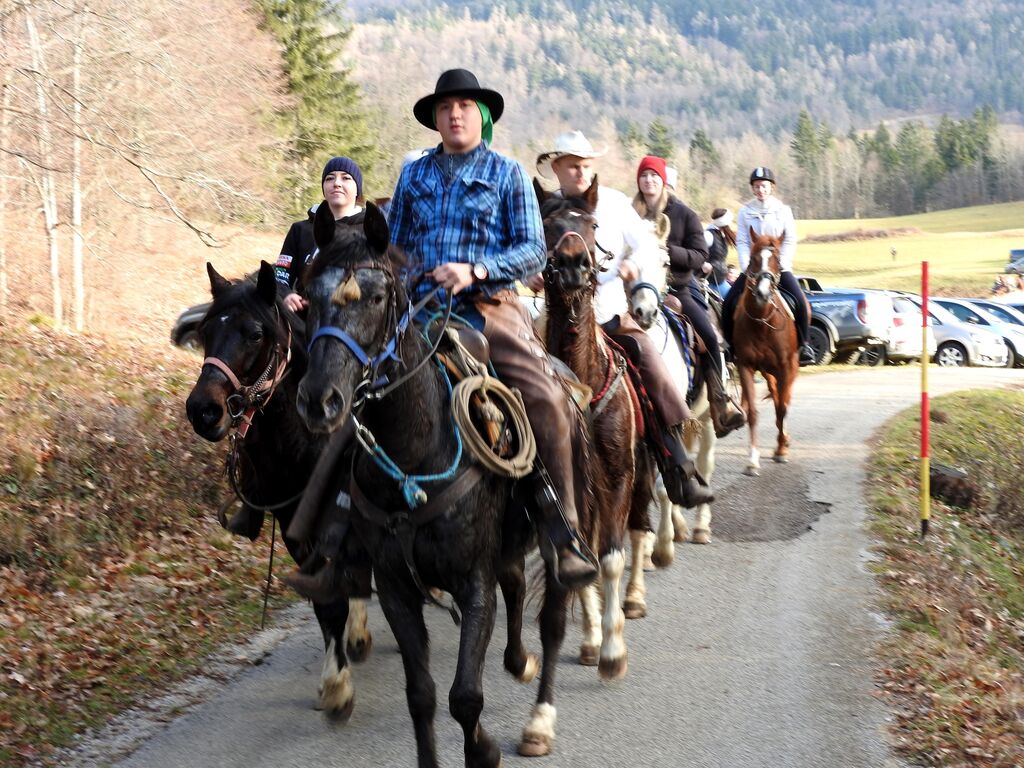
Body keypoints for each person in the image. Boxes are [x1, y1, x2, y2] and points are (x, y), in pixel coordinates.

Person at [387, 69, 598, 588]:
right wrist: (406, 279)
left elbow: (531, 250)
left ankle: (564, 531)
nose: (454, 113)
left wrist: (475, 270)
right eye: (445, 107)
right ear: (435, 119)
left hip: (489, 307)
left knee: (547, 396)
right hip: (421, 310)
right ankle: (336, 537)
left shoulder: (505, 173)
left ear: (480, 115)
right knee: (355, 384)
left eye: (464, 106)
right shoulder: (413, 177)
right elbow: (392, 250)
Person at [532, 131, 714, 509]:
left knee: (650, 362)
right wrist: (527, 275)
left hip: (610, 315)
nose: (580, 171)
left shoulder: (613, 203)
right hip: (555, 323)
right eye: (572, 165)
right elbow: (525, 251)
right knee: (516, 371)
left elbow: (647, 243)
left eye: (585, 165)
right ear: (557, 168)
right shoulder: (543, 207)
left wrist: (635, 263)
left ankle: (676, 463)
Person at [633, 156, 744, 438]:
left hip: (677, 287)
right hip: (636, 290)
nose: (649, 181)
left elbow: (699, 256)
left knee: (709, 336)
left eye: (654, 176)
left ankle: (721, 400)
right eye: (644, 176)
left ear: (662, 180)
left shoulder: (684, 214)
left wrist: (668, 252)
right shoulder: (629, 212)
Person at [721, 167, 815, 366]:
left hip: (778, 267)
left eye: (763, 186)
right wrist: (748, 266)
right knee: (728, 302)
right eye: (756, 186)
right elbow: (743, 241)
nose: (760, 190)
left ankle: (805, 345)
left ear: (771, 187)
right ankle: (730, 347)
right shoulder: (746, 212)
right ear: (753, 189)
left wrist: (782, 264)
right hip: (754, 268)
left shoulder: (783, 211)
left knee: (800, 302)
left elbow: (789, 240)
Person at [275, 156, 365, 313]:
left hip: (352, 321)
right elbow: (281, 275)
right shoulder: (300, 230)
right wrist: (286, 295)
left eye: (346, 178)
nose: (336, 183)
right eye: (330, 178)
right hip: (304, 319)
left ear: (357, 189)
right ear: (323, 187)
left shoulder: (370, 230)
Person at [704, 207, 736, 297]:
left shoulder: (721, 235)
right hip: (710, 281)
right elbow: (696, 253)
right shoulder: (708, 235)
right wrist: (704, 264)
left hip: (720, 280)